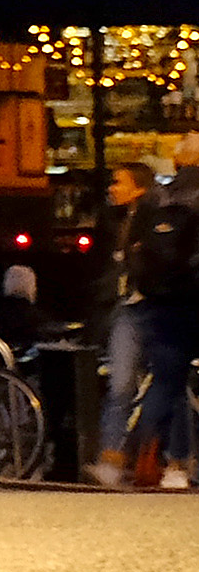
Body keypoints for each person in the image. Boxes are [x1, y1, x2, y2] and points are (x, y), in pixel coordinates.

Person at [96, 162, 198, 489]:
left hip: (157, 306)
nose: (111, 188)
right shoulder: (113, 221)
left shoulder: (159, 217)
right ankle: (113, 459)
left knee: (171, 385)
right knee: (122, 386)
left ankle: (174, 461)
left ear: (139, 187)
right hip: (129, 309)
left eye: (118, 182)